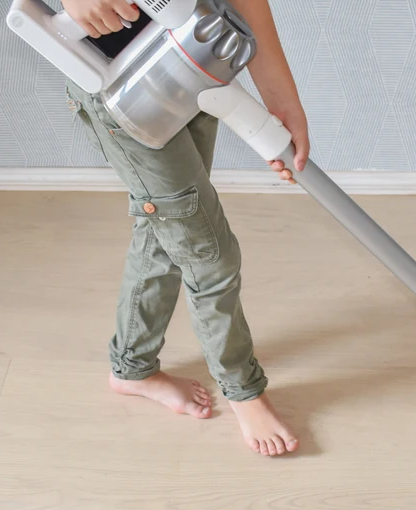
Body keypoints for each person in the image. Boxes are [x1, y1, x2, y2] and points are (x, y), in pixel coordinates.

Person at [61, 0, 306, 457]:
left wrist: (281, 100)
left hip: (193, 58)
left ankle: (131, 368)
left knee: (168, 231)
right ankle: (243, 391)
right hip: (116, 80)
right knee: (209, 254)